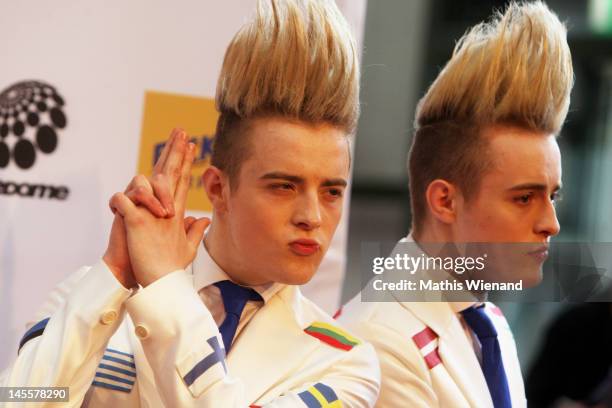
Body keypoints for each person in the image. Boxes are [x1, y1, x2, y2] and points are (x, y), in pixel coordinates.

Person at [0, 0, 380, 406]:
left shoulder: (346, 363)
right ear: (217, 188)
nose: (312, 217)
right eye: (283, 187)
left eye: (332, 192)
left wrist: (166, 289)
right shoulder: (92, 291)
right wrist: (114, 275)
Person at [339, 1, 573, 407]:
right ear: (445, 200)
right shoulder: (380, 340)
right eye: (524, 198)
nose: (550, 222)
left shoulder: (490, 325)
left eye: (552, 196)